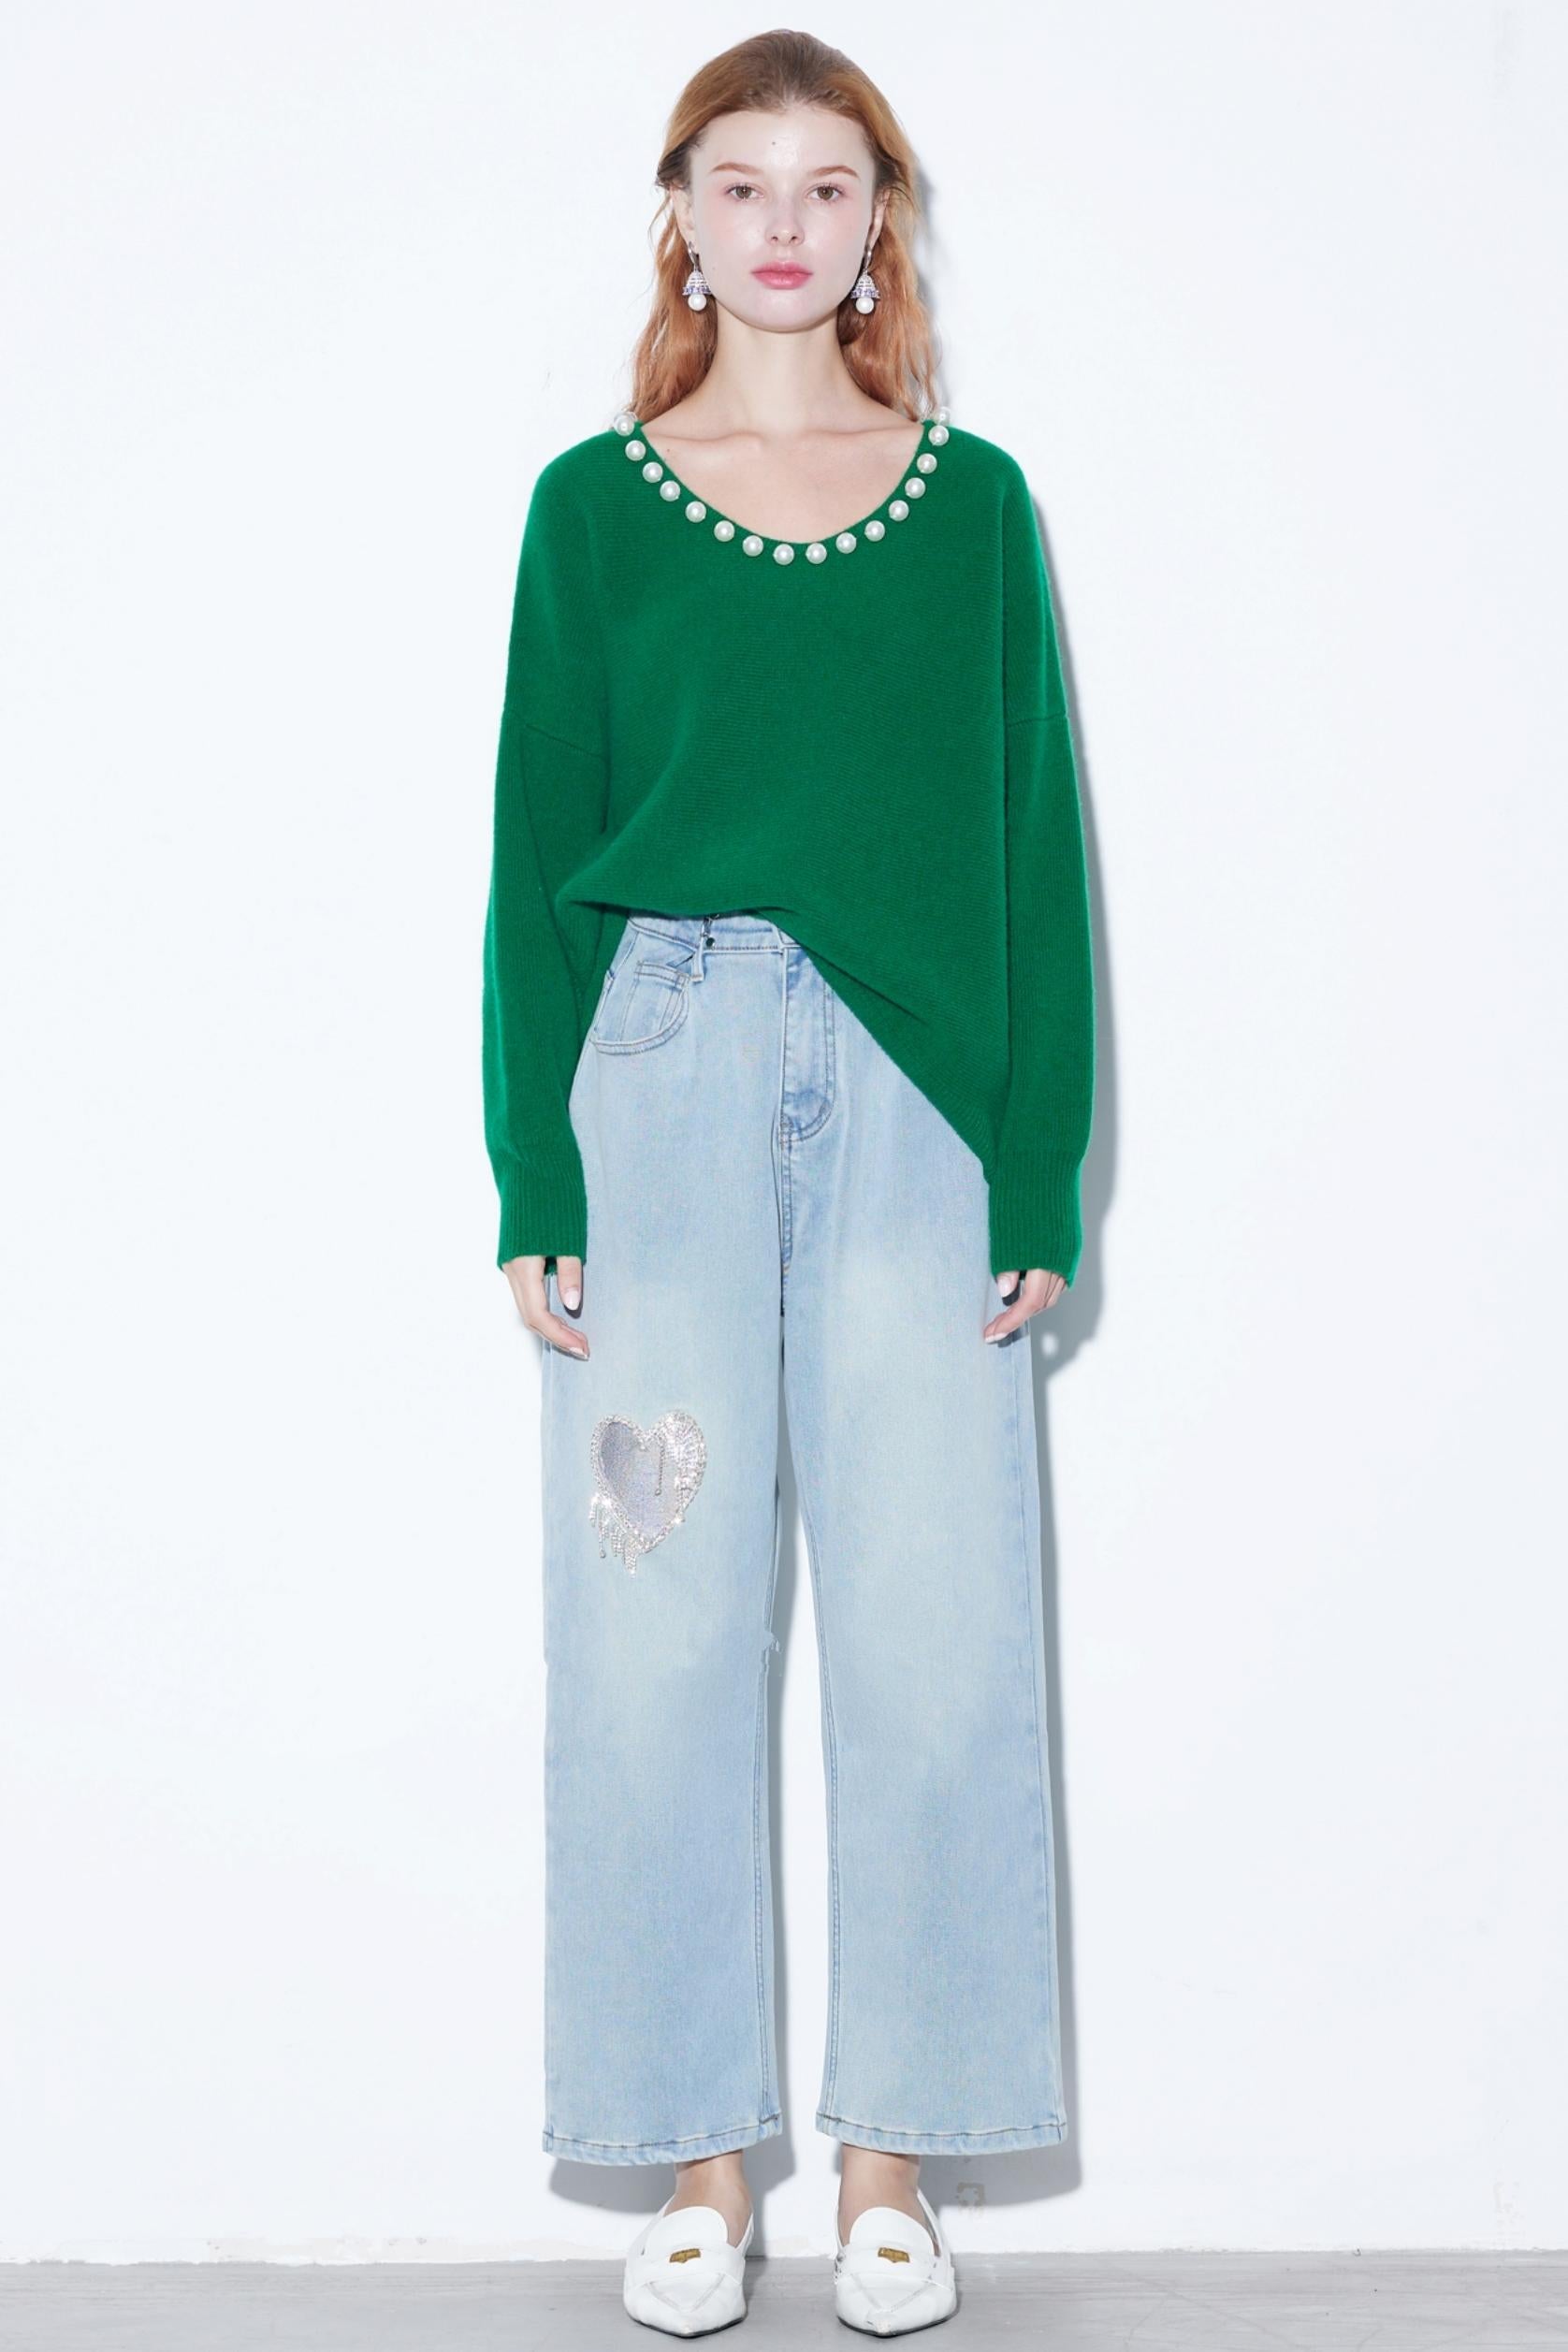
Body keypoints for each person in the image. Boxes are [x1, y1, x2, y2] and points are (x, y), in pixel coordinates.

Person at [481, 28, 1095, 2338]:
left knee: (935, 1629)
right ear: (681, 214)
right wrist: (529, 1161)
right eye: (738, 183)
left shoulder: (977, 505)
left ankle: (894, 2162)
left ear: (875, 225)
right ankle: (694, 2160)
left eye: (826, 186)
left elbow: (1031, 840)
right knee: (654, 1626)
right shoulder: (591, 509)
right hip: (658, 1071)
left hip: (923, 1089)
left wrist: (1036, 1156)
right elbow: (534, 846)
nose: (780, 224)